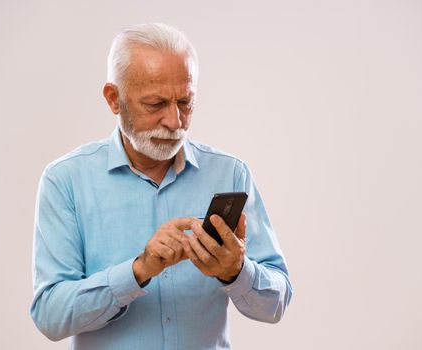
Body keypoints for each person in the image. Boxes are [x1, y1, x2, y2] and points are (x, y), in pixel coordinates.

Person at [30, 23, 292, 350]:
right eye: (155, 104)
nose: (175, 121)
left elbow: (277, 303)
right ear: (114, 98)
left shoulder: (230, 174)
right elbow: (50, 316)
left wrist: (236, 272)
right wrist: (139, 271)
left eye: (185, 102)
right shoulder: (65, 180)